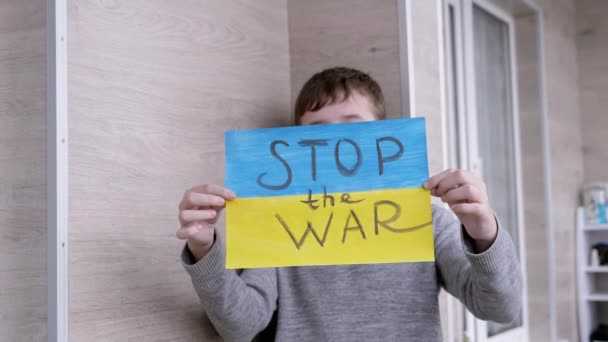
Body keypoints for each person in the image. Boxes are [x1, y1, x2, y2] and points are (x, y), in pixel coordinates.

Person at [176, 67, 522, 341]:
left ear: (380, 135)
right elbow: (241, 327)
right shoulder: (277, 224)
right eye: (316, 130)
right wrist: (204, 250)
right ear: (298, 144)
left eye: (352, 126)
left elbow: (500, 308)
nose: (334, 143)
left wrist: (484, 233)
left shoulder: (427, 221)